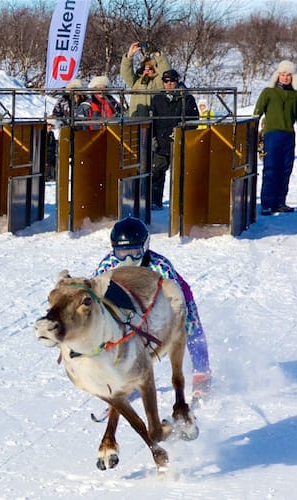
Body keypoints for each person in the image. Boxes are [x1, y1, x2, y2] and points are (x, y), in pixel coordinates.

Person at [93, 217, 211, 396]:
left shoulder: (159, 265)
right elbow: (95, 294)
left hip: (170, 297)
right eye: (122, 253)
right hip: (131, 302)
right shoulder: (108, 266)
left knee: (190, 326)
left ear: (145, 247)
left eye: (135, 252)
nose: (129, 258)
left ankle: (202, 373)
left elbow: (174, 299)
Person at [253, 60, 297, 216]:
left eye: (288, 75)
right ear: (277, 76)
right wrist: (252, 133)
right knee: (271, 169)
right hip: (271, 135)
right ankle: (267, 204)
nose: (285, 78)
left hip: (288, 136)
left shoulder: (296, 95)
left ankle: (280, 202)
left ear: (293, 77)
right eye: (282, 75)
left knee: (285, 170)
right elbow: (257, 113)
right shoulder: (268, 92)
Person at [148, 69, 198, 209]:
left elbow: (194, 120)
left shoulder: (186, 98)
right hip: (161, 143)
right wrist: (153, 138)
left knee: (180, 174)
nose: (169, 84)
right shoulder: (157, 98)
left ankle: (179, 203)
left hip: (179, 142)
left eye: (172, 81)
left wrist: (182, 133)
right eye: (166, 81)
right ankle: (155, 201)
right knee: (157, 173)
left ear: (177, 81)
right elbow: (152, 120)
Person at [120, 41, 170, 117]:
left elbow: (166, 72)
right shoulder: (136, 82)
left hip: (154, 122)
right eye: (144, 68)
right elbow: (125, 73)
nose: (146, 70)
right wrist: (129, 56)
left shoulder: (158, 81)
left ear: (154, 69)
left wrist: (157, 54)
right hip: (137, 121)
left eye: (149, 68)